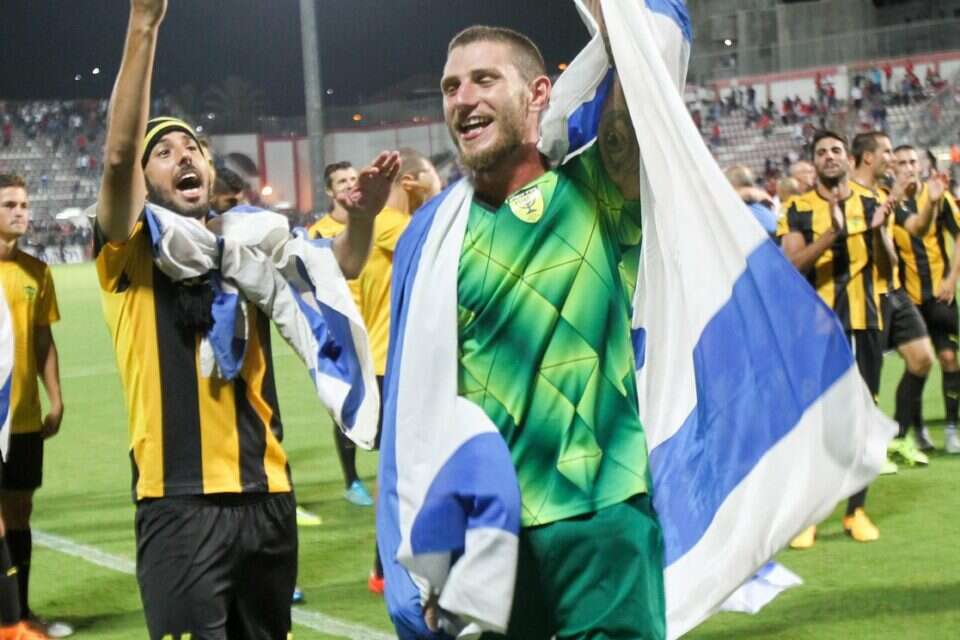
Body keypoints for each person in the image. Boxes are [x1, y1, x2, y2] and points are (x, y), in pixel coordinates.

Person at [96, 2, 397, 637]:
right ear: (146, 182)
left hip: (268, 493)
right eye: (164, 152)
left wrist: (364, 217)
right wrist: (144, 24)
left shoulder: (256, 241)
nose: (182, 156)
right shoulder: (130, 251)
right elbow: (118, 156)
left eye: (192, 148)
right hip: (178, 502)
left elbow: (338, 266)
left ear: (210, 169)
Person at [387, 8, 664, 637]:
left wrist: (615, 19)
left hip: (600, 510)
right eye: (451, 87)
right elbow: (417, 407)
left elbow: (643, 85)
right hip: (491, 539)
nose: (463, 98)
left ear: (539, 94)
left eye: (484, 79)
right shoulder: (432, 240)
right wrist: (434, 550)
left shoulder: (594, 189)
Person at [312, 149, 442, 595]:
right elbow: (448, 239)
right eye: (428, 175)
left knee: (406, 467)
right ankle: (386, 566)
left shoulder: (382, 226)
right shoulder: (389, 224)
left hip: (388, 361)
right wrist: (435, 193)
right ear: (411, 182)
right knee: (405, 470)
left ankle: (389, 564)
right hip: (391, 364)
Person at [779, 130, 894, 544]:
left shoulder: (875, 201)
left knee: (862, 417)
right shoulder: (797, 208)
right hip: (816, 328)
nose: (829, 156)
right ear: (814, 162)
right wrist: (832, 234)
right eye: (821, 152)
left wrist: (879, 234)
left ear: (848, 158)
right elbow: (791, 265)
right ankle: (811, 514)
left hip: (865, 322)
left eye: (836, 150)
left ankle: (856, 510)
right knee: (816, 420)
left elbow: (890, 268)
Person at [848, 132, 934, 468]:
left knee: (922, 359)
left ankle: (897, 438)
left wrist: (930, 201)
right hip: (865, 294)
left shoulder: (883, 194)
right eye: (887, 152)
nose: (892, 159)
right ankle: (867, 451)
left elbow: (914, 228)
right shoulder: (849, 195)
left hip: (894, 291)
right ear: (869, 157)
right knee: (867, 378)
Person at [0, 175, 58, 640]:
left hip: (24, 419)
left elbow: (43, 338)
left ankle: (20, 613)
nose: (20, 211)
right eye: (9, 204)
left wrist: (55, 397)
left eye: (23, 204)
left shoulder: (37, 272)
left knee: (19, 513)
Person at [308, 161, 375, 507]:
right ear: (330, 191)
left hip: (379, 328)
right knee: (348, 405)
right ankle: (352, 481)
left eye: (353, 178)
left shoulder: (373, 222)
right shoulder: (318, 233)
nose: (349, 184)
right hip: (342, 332)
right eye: (341, 182)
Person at [891, 145, 960, 454]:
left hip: (939, 294)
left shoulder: (940, 197)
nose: (908, 167)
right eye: (901, 163)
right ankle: (917, 430)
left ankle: (952, 429)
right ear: (892, 168)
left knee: (949, 358)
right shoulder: (888, 202)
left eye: (912, 161)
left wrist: (951, 279)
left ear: (920, 165)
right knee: (917, 364)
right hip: (907, 300)